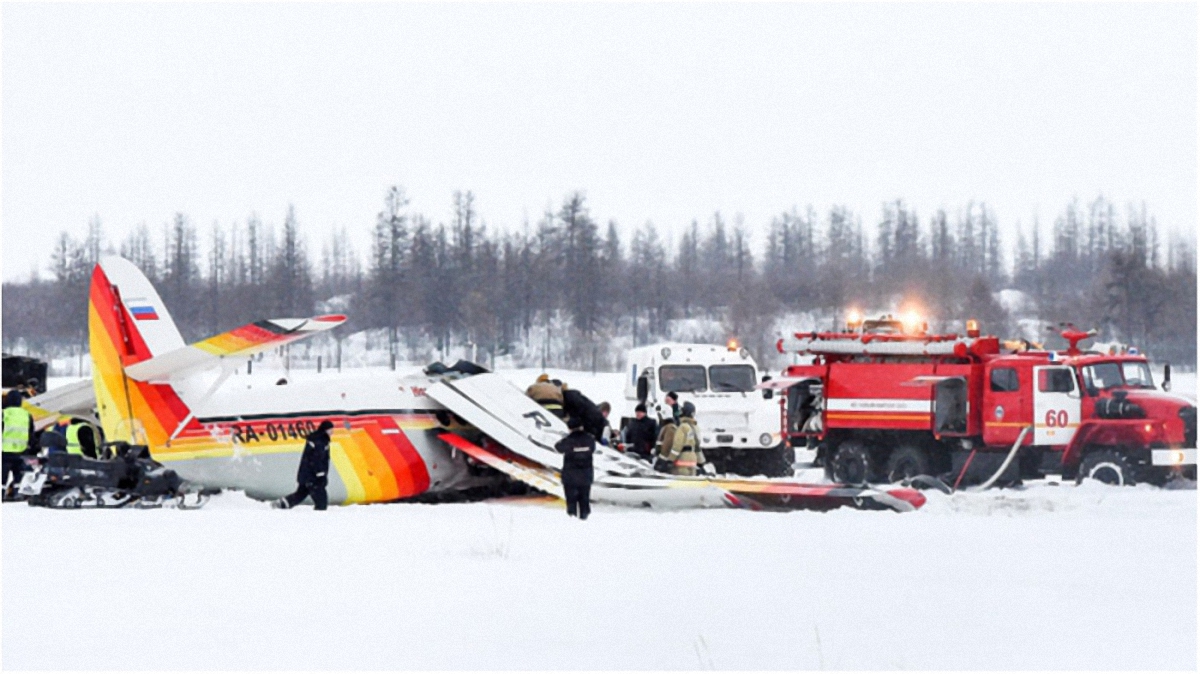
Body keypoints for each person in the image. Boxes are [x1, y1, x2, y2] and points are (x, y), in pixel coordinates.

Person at [276, 420, 334, 510]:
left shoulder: (316, 439)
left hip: (306, 474)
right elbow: (318, 459)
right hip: (313, 477)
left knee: (301, 494)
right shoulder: (320, 441)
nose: (332, 432)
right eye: (331, 430)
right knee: (321, 501)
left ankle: (282, 504)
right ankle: (320, 519)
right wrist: (321, 474)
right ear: (325, 430)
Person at [555, 416, 595, 520]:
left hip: (570, 477)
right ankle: (585, 520)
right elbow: (593, 449)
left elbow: (558, 447)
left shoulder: (568, 440)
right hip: (586, 476)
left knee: (571, 502)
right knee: (584, 500)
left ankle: (572, 521)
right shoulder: (590, 439)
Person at [666, 402, 714, 477]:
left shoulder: (682, 427)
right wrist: (702, 462)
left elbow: (677, 446)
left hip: (682, 461)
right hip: (693, 460)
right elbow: (697, 447)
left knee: (681, 484)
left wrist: (670, 460)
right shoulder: (696, 428)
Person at [3, 389, 34, 496]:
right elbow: (31, 434)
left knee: (2, 479)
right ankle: (17, 495)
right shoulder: (27, 415)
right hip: (21, 452)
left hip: (4, 452)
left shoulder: (4, 414)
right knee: (18, 478)